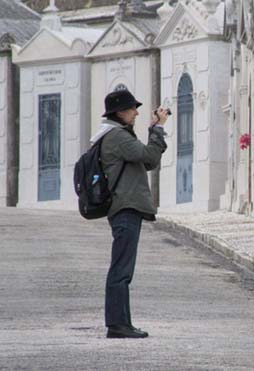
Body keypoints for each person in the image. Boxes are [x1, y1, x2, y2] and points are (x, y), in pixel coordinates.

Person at [90, 89, 168, 339]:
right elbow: (149, 156)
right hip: (125, 208)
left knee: (123, 268)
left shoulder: (117, 135)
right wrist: (157, 130)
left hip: (125, 208)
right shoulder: (116, 137)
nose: (136, 113)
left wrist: (153, 129)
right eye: (132, 109)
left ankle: (122, 322)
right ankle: (117, 324)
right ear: (120, 112)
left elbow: (145, 162)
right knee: (121, 269)